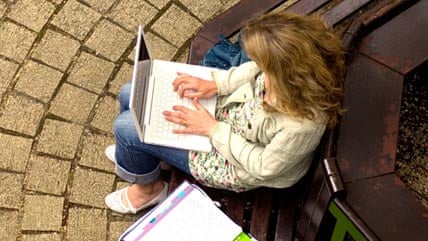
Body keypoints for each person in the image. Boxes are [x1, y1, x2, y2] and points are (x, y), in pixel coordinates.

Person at [104, 11, 345, 214]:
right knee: (130, 93)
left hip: (230, 160)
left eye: (267, 69)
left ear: (286, 75)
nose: (261, 70)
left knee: (126, 130)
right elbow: (251, 69)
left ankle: (149, 190)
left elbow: (262, 167)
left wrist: (212, 129)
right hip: (226, 116)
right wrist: (216, 84)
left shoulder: (301, 125)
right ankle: (143, 158)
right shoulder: (295, 68)